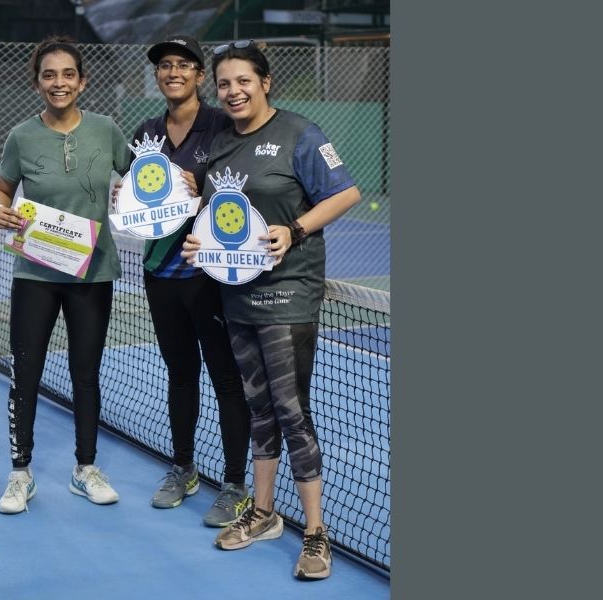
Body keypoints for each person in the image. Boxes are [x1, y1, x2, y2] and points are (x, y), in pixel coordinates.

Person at [181, 40, 361, 580]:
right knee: (258, 407)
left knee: (290, 410)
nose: (233, 91)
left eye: (244, 81)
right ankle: (263, 513)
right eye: (224, 83)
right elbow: (218, 216)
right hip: (237, 296)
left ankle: (316, 532)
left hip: (289, 294)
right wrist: (199, 243)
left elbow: (345, 193)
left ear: (265, 82)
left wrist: (295, 228)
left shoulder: (300, 134)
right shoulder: (220, 146)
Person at [0, 36, 131, 514]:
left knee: (85, 373)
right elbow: (2, 190)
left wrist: (129, 193)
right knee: (25, 371)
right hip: (35, 274)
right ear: (37, 83)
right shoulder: (21, 136)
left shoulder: (107, 130)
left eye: (68, 74)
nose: (59, 82)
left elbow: (139, 180)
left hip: (93, 273)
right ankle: (20, 473)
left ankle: (85, 468)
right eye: (49, 75)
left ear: (82, 81)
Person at [126, 35, 253, 527]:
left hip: (211, 278)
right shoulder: (146, 133)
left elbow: (243, 189)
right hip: (161, 275)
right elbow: (138, 199)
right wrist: (123, 194)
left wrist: (204, 192)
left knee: (226, 378)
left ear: (200, 75)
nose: (173, 72)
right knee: (180, 374)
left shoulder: (223, 126)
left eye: (183, 64)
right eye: (165, 65)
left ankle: (235, 483)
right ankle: (183, 468)